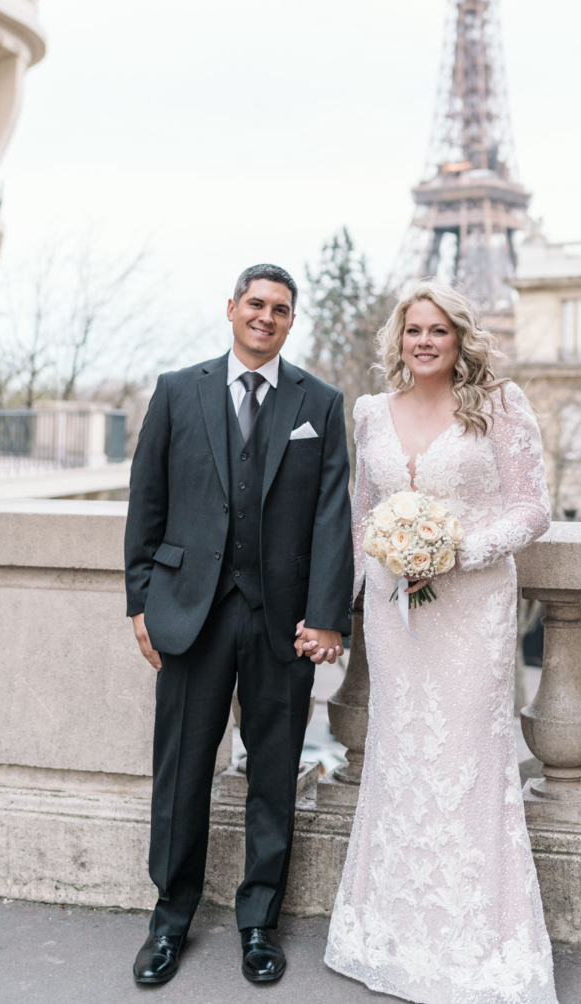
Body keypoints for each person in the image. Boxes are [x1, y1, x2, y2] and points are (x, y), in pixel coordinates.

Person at [324, 278, 558, 1004]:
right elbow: (363, 519)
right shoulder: (370, 414)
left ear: (460, 339)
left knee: (467, 760)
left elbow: (533, 509)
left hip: (474, 610)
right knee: (402, 754)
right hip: (399, 618)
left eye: (438, 330)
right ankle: (393, 933)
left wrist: (459, 550)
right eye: (412, 330)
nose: (423, 341)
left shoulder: (498, 406)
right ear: (398, 339)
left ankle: (475, 945)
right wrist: (353, 598)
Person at [124, 263, 354, 988]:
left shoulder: (320, 401)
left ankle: (259, 922)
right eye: (255, 304)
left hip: (282, 623)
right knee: (182, 771)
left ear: (291, 321)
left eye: (280, 309)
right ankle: (170, 918)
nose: (266, 317)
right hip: (190, 614)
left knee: (274, 778)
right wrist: (139, 601)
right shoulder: (176, 391)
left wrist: (325, 618)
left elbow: (331, 518)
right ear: (231, 309)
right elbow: (147, 499)